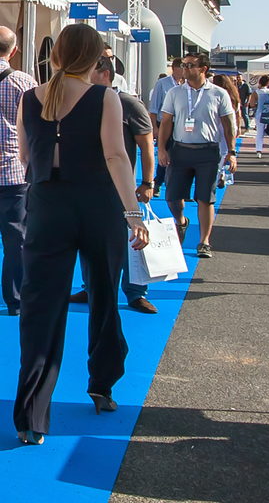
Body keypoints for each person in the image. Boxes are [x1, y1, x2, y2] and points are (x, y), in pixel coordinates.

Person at [13, 23, 149, 445]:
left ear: (55, 56)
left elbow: (25, 156)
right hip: (98, 206)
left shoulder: (28, 98)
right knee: (104, 295)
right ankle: (102, 385)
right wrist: (133, 214)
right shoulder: (105, 97)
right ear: (95, 59)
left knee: (40, 307)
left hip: (46, 206)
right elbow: (116, 156)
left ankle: (31, 415)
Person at [69, 55, 158, 314]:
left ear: (105, 74)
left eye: (89, 72)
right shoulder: (81, 102)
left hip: (120, 186)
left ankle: (135, 292)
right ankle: (90, 287)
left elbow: (146, 147)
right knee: (89, 239)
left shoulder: (129, 104)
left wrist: (147, 182)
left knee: (131, 239)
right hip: (87, 185)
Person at [158, 53, 237, 258]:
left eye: (190, 65)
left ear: (203, 69)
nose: (184, 69)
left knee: (205, 198)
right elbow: (166, 122)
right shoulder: (175, 92)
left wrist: (231, 152)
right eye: (183, 65)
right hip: (180, 150)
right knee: (172, 197)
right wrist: (162, 149)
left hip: (208, 152)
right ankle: (181, 221)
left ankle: (204, 241)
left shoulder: (218, 93)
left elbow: (228, 125)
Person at [0, 26, 37, 316]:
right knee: (16, 240)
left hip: (13, 172)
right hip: (13, 171)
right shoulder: (23, 81)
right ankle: (15, 299)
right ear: (13, 51)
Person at [149, 57, 183, 197]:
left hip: (181, 124)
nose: (185, 70)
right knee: (164, 153)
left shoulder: (187, 85)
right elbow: (153, 107)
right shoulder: (162, 84)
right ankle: (158, 182)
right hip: (164, 123)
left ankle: (178, 186)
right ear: (174, 68)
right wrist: (155, 128)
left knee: (181, 156)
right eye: (182, 67)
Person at [212, 74, 241, 186]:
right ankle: (221, 173)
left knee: (218, 153)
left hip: (218, 126)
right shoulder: (234, 96)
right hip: (231, 126)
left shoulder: (217, 94)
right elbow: (238, 113)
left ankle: (218, 175)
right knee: (224, 152)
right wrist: (238, 127)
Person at [249, 75, 269, 159]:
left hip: (260, 113)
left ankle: (259, 150)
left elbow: (252, 104)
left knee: (260, 133)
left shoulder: (256, 92)